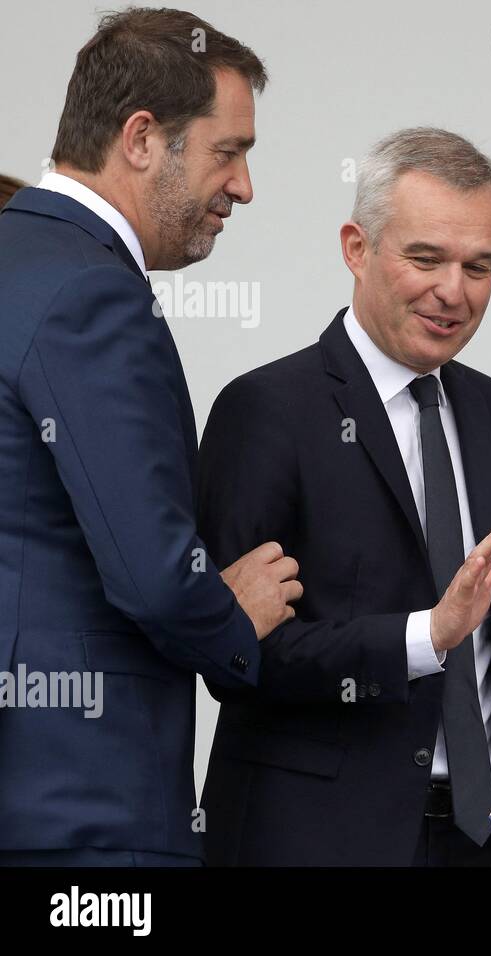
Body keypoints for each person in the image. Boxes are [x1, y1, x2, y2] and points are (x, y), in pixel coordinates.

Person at [196, 127, 491, 866]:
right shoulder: (266, 410)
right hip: (317, 839)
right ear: (356, 248)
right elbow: (235, 658)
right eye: (426, 258)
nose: (454, 291)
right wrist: (425, 636)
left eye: (478, 266)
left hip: (482, 838)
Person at [0, 8, 299, 866]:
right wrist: (229, 618)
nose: (243, 186)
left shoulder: (18, 259)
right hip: (80, 815)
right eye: (228, 151)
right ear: (141, 139)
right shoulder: (92, 293)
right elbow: (156, 578)